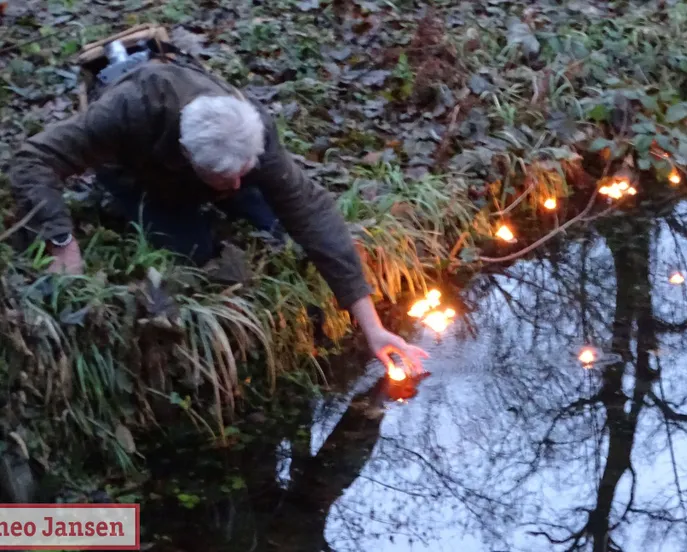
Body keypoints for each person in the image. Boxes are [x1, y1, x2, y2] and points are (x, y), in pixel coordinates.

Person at [7, 52, 428, 374]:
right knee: (193, 251)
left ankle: (226, 192)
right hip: (139, 174)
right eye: (226, 180)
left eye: (244, 174)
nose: (237, 187)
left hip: (216, 160)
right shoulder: (127, 110)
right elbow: (31, 161)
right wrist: (59, 237)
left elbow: (312, 211)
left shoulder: (251, 130)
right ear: (189, 156)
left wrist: (371, 326)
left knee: (279, 224)